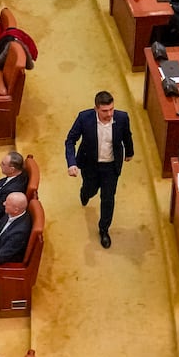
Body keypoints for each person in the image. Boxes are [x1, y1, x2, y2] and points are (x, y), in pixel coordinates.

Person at [65, 91, 133, 249]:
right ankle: (85, 192)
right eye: (104, 111)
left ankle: (104, 229)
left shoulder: (122, 117)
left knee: (108, 198)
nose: (109, 114)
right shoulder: (84, 118)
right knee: (90, 190)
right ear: (96, 109)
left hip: (111, 166)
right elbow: (70, 140)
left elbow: (127, 136)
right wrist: (71, 163)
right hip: (90, 165)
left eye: (111, 109)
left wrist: (129, 152)